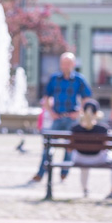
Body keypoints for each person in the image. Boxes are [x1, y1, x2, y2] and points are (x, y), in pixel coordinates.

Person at [33, 52, 92, 183]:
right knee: (48, 146)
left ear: (73, 64)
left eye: (68, 63)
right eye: (63, 63)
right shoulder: (54, 78)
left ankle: (64, 173)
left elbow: (87, 98)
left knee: (69, 148)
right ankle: (41, 173)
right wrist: (51, 112)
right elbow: (46, 97)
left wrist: (79, 112)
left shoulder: (79, 79)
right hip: (57, 117)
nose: (65, 66)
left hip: (71, 118)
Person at [69, 99, 112, 199]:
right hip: (98, 158)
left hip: (80, 159)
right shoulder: (102, 128)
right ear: (97, 113)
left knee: (84, 164)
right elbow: (106, 147)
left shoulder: (75, 128)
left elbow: (69, 149)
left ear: (82, 112)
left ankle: (84, 189)